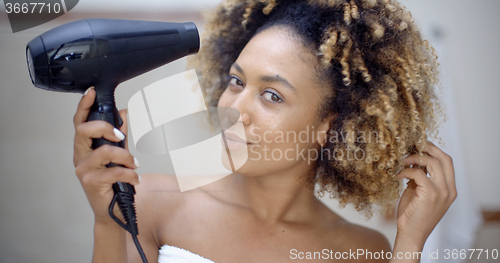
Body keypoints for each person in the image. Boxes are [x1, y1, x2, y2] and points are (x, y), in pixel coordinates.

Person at [72, 0, 456, 262]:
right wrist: (107, 220)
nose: (234, 109)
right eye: (236, 81)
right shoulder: (150, 202)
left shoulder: (361, 248)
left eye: (272, 95)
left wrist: (409, 243)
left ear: (331, 125)